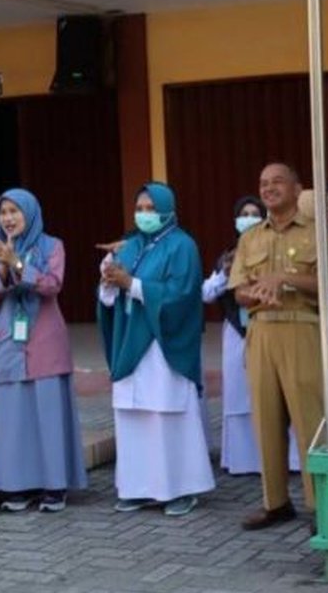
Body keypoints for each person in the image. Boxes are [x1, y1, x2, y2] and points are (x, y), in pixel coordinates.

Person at [229, 163, 328, 530]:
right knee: (265, 419)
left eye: (277, 182)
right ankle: (275, 502)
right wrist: (254, 292)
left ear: (297, 189)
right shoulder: (250, 239)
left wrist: (285, 279)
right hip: (261, 332)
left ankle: (321, 504)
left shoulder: (319, 233)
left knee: (311, 420)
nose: (269, 188)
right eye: (263, 183)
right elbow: (238, 290)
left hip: (301, 329)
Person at [98, 182, 215, 516]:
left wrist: (131, 285)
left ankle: (180, 489)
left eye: (151, 209)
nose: (144, 215)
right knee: (133, 418)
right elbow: (109, 297)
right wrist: (107, 284)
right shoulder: (130, 246)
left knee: (165, 417)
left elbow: (182, 294)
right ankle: (137, 488)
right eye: (140, 208)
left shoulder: (182, 246)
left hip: (162, 347)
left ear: (168, 209)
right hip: (130, 342)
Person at [0, 188, 88, 512]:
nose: (8, 218)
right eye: (3, 212)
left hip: (44, 339)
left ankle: (54, 486)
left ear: (30, 212)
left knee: (47, 413)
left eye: (15, 211)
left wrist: (19, 263)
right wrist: (1, 269)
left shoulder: (52, 246)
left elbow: (52, 284)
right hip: (7, 339)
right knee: (14, 416)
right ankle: (18, 485)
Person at [202, 197, 300, 474]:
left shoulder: (278, 248)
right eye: (243, 214)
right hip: (236, 331)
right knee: (238, 393)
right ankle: (243, 460)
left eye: (255, 214)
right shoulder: (227, 255)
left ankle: (286, 459)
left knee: (277, 392)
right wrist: (225, 272)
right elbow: (206, 294)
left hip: (271, 326)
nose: (248, 219)